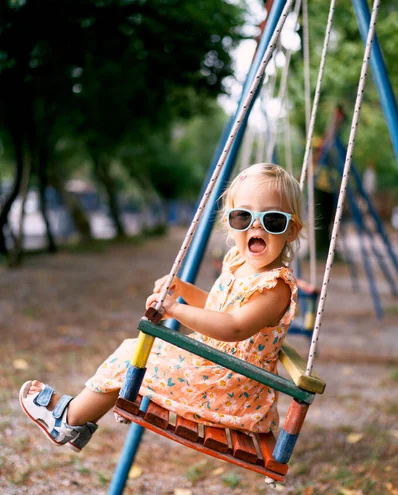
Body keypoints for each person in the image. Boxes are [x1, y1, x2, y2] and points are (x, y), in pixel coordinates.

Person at [19, 163, 303, 452]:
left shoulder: (275, 287)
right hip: (216, 372)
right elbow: (219, 310)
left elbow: (235, 327)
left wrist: (175, 310)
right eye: (243, 217)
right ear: (230, 223)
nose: (256, 226)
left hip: (232, 390)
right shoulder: (238, 262)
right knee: (133, 351)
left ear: (291, 230)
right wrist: (183, 290)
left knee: (134, 355)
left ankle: (68, 420)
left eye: (273, 220)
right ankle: (77, 420)